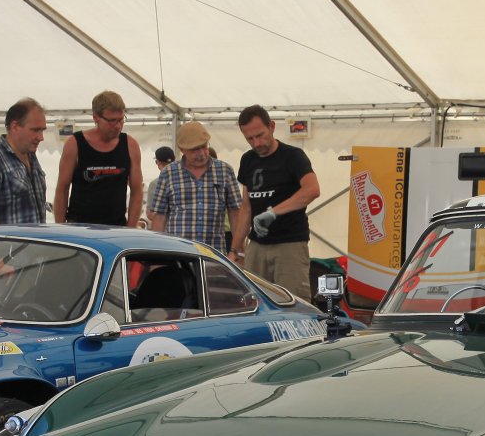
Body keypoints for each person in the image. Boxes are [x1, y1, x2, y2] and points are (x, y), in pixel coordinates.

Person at [235, 105, 320, 299]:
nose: (257, 143)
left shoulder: (293, 156)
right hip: (256, 245)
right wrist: (235, 248)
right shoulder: (247, 160)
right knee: (255, 301)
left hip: (289, 244)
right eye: (250, 138)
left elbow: (312, 189)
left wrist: (273, 212)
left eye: (260, 135)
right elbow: (246, 207)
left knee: (293, 302)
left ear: (271, 126)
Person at [147, 121, 249, 260]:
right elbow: (159, 218)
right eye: (194, 149)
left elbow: (236, 214)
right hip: (178, 256)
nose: (201, 153)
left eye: (204, 146)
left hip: (214, 256)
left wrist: (237, 252)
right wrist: (157, 258)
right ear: (182, 149)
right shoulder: (168, 173)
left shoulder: (224, 171)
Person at [54, 90, 142, 227]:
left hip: (116, 227)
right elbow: (62, 188)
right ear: (95, 117)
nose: (118, 126)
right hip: (79, 227)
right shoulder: (75, 143)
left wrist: (130, 229)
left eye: (121, 119)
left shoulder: (130, 145)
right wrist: (61, 228)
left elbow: (137, 191)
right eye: (111, 121)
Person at [0, 98, 49, 226]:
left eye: (42, 130)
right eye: (35, 130)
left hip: (36, 238)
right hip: (8, 239)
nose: (41, 137)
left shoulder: (31, 156)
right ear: (15, 127)